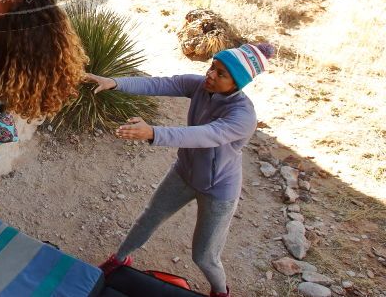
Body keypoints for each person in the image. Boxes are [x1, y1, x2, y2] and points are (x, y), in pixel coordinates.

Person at [84, 43, 274, 297]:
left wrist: (154, 133)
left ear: (237, 83)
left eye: (221, 74)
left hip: (218, 189)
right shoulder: (199, 86)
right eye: (212, 67)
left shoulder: (242, 116)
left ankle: (220, 291)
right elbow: (159, 84)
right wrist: (114, 82)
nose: (210, 75)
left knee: (204, 255)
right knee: (149, 218)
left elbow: (206, 135)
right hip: (184, 172)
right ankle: (119, 259)